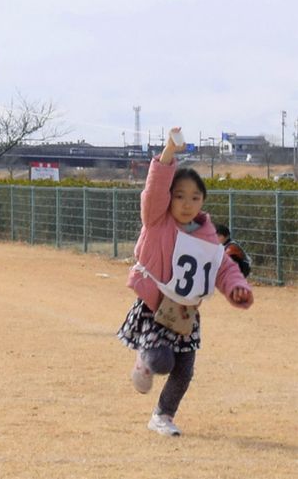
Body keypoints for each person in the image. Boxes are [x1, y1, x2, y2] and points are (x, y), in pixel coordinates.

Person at [117, 127, 253, 437]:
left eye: (194, 197)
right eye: (179, 196)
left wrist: (237, 288)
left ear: (203, 200)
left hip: (186, 313)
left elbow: (222, 266)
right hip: (155, 305)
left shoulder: (206, 233)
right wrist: (168, 153)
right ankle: (144, 362)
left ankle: (162, 415)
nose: (187, 203)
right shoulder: (156, 219)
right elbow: (154, 190)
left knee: (184, 369)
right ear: (168, 199)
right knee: (161, 361)